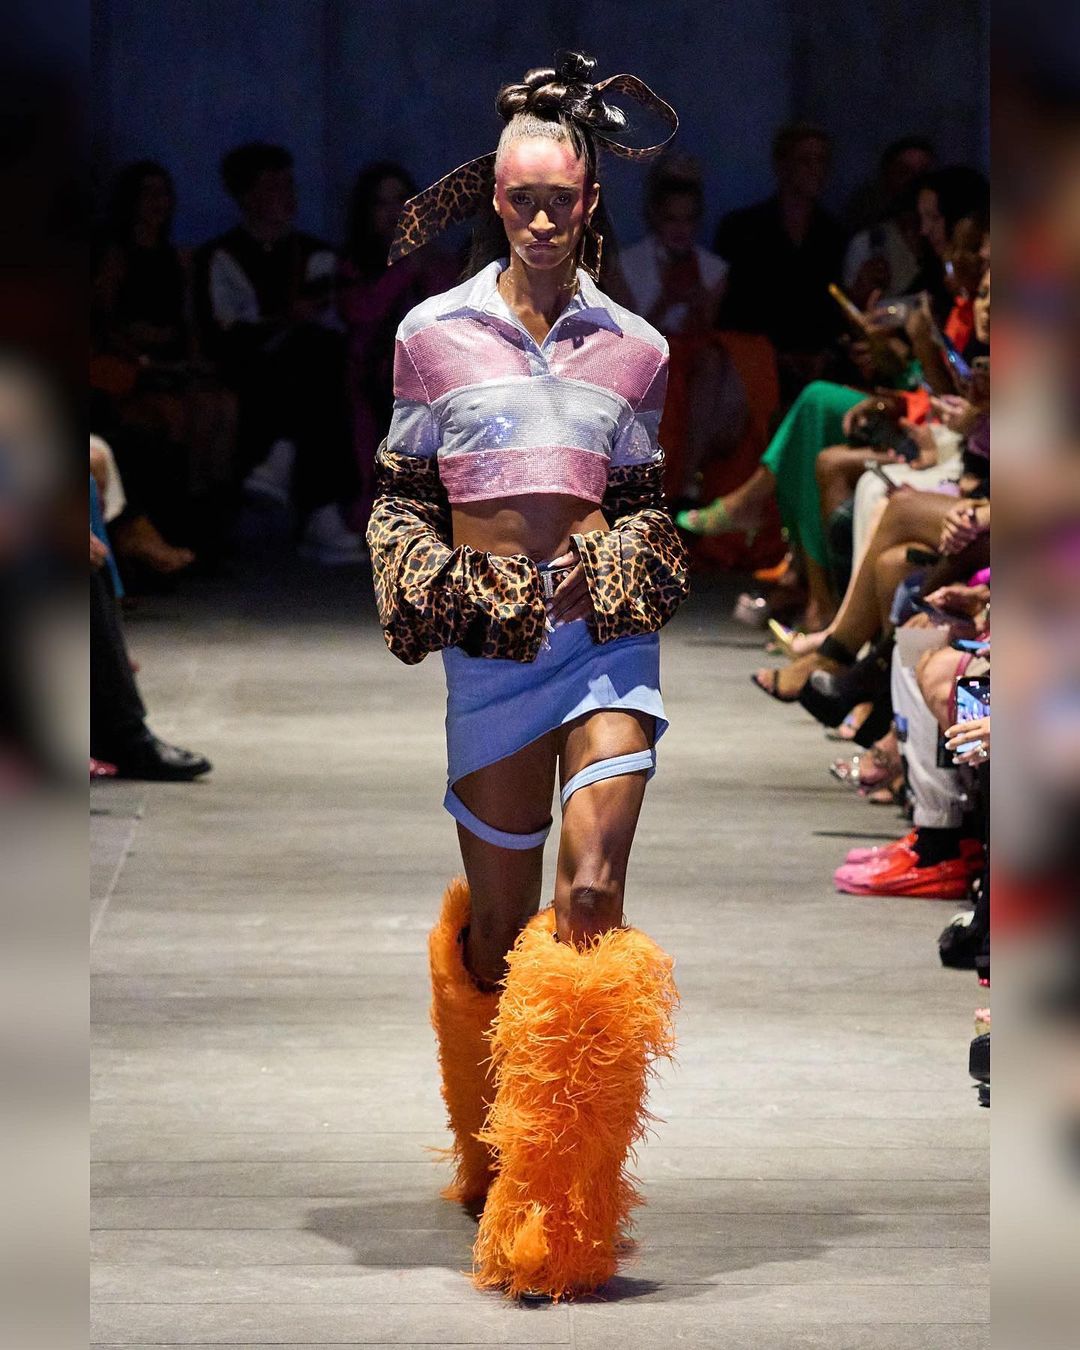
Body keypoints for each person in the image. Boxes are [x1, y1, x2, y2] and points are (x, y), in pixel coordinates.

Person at [365, 52, 687, 1302]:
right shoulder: (430, 337)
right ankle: (496, 1145)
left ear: (591, 200)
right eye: (522, 201)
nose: (543, 221)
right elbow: (402, 498)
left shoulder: (638, 347)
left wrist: (624, 565)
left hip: (605, 645)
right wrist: (443, 586)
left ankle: (561, 1207)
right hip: (490, 657)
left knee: (591, 895)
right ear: (492, 198)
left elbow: (647, 502)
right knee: (501, 936)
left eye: (562, 201)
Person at [193, 142, 364, 563]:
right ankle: (319, 509)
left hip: (307, 363)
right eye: (272, 186)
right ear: (246, 196)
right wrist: (283, 318)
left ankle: (284, 458)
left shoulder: (313, 252)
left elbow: (331, 315)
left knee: (320, 354)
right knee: (311, 358)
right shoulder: (222, 255)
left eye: (289, 185)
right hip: (248, 365)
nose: (287, 195)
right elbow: (225, 332)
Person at [620, 154, 747, 508]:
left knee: (714, 364)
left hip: (694, 358)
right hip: (647, 354)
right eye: (671, 219)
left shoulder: (713, 270)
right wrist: (666, 299)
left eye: (688, 220)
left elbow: (706, 329)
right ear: (655, 216)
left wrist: (696, 301)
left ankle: (688, 480)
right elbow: (627, 331)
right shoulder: (628, 263)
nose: (680, 229)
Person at [338, 161, 455, 535]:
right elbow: (360, 312)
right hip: (370, 382)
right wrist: (406, 269)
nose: (394, 211)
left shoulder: (440, 263)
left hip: (433, 382)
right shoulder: (354, 264)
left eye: (402, 199)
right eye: (381, 203)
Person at [713, 123, 846, 397]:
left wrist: (823, 354)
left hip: (817, 368)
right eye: (806, 160)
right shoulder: (742, 230)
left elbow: (833, 309)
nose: (816, 170)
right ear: (783, 165)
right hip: (753, 365)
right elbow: (732, 309)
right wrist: (773, 356)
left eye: (822, 161)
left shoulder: (834, 235)